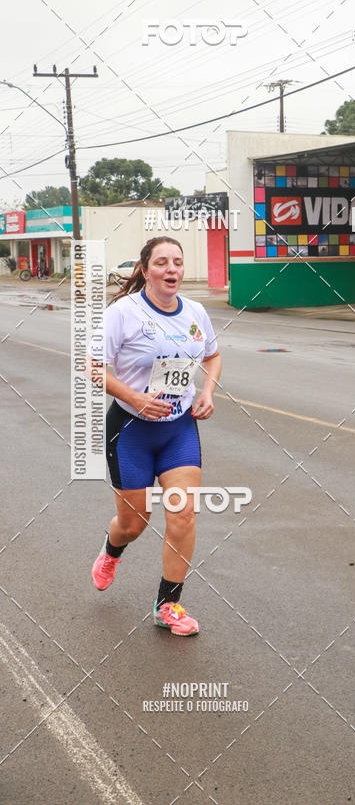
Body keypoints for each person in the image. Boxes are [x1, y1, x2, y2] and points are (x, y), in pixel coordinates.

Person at [88, 236, 222, 636]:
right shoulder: (123, 313)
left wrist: (208, 391)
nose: (171, 269)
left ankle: (168, 605)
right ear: (145, 270)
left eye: (177, 262)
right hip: (131, 430)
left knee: (183, 513)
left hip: (179, 428)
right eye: (161, 262)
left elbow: (213, 355)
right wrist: (135, 398)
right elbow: (93, 367)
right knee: (134, 524)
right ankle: (112, 549)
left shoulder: (196, 312)